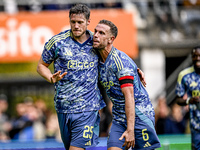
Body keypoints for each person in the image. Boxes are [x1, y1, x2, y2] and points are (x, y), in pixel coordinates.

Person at [37, 3, 106, 150]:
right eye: (73, 22)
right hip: (63, 108)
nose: (76, 26)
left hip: (88, 108)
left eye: (80, 22)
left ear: (88, 22)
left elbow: (115, 59)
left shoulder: (97, 42)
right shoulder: (57, 42)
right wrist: (50, 77)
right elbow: (41, 66)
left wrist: (134, 69)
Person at [93, 19, 161, 150]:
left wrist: (130, 130)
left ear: (110, 39)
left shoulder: (121, 63)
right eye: (95, 31)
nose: (95, 35)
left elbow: (129, 97)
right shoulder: (96, 54)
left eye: (101, 33)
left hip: (139, 115)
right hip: (119, 118)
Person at [175, 45, 200, 150]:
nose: (197, 58)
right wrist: (190, 100)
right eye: (195, 56)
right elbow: (178, 99)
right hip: (196, 124)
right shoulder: (184, 75)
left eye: (199, 56)